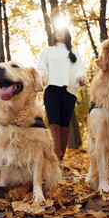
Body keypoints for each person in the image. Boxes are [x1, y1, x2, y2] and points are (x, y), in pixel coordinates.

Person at [37, 27, 86, 161]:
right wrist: (40, 77)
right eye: (56, 31)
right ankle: (54, 157)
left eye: (62, 30)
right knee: (54, 123)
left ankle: (59, 159)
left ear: (67, 34)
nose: (58, 32)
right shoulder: (48, 51)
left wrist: (81, 78)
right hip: (51, 90)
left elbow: (79, 68)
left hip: (69, 92)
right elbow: (42, 67)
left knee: (65, 125)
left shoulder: (73, 52)